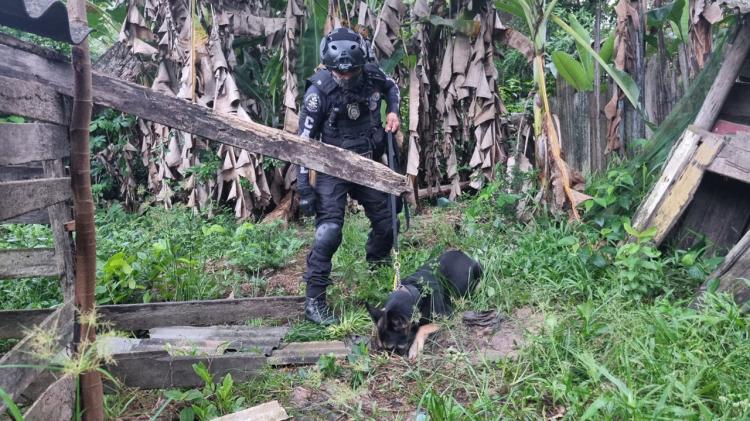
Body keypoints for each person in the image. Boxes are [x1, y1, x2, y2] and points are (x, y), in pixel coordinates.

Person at [296, 27, 401, 325]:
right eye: (340, 73)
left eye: (352, 72)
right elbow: (303, 143)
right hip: (332, 167)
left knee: (388, 221)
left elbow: (392, 87)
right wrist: (304, 188)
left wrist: (393, 111)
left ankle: (376, 267)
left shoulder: (372, 75)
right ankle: (315, 301)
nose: (346, 77)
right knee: (328, 232)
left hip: (367, 161)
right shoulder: (318, 92)